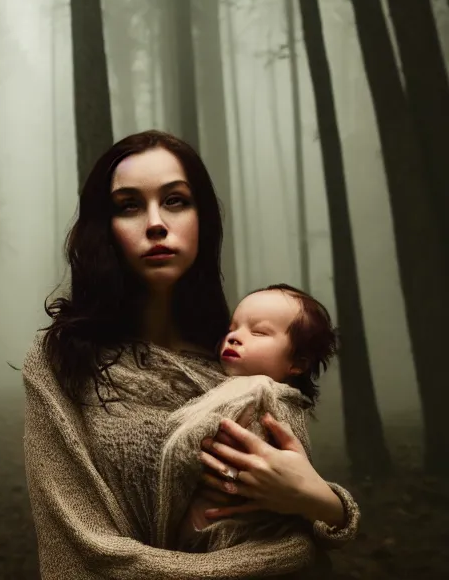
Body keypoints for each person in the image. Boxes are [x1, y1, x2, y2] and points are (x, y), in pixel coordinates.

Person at [23, 130, 359, 580]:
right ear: (105, 229)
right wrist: (285, 556)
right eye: (129, 206)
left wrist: (325, 502)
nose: (156, 222)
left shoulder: (240, 359)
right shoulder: (60, 366)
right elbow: (87, 549)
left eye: (176, 200)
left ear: (203, 218)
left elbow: (286, 511)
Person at [160, 283, 351, 557]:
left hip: (238, 544)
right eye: (232, 329)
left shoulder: (268, 397)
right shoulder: (229, 387)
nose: (235, 337)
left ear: (296, 363)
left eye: (259, 331)